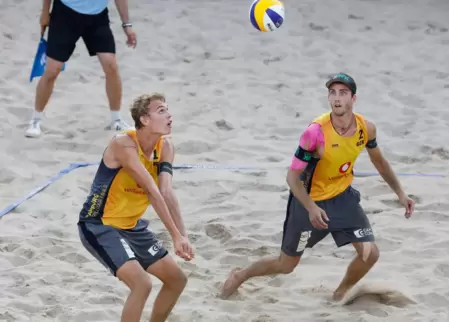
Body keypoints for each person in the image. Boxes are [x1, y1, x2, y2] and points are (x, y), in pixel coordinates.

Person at [220, 73, 415, 301]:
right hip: (308, 202)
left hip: (343, 199)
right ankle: (240, 276)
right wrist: (312, 207)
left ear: (354, 98)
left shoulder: (366, 128)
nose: (337, 98)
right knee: (286, 265)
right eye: (332, 92)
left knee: (369, 255)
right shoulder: (315, 133)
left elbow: (379, 161)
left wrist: (400, 193)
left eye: (343, 93)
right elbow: (292, 178)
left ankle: (341, 292)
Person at [77, 93, 194, 322]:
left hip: (131, 227)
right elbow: (152, 191)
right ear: (144, 119)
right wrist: (174, 235)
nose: (169, 114)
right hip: (99, 225)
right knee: (142, 284)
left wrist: (182, 235)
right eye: (161, 110)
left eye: (168, 109)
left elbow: (167, 192)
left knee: (176, 279)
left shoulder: (166, 146)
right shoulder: (123, 143)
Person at [26, 0, 136, 137]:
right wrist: (45, 13)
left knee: (111, 65)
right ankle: (35, 120)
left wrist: (127, 24)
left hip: (98, 16)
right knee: (53, 70)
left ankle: (116, 119)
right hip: (65, 14)